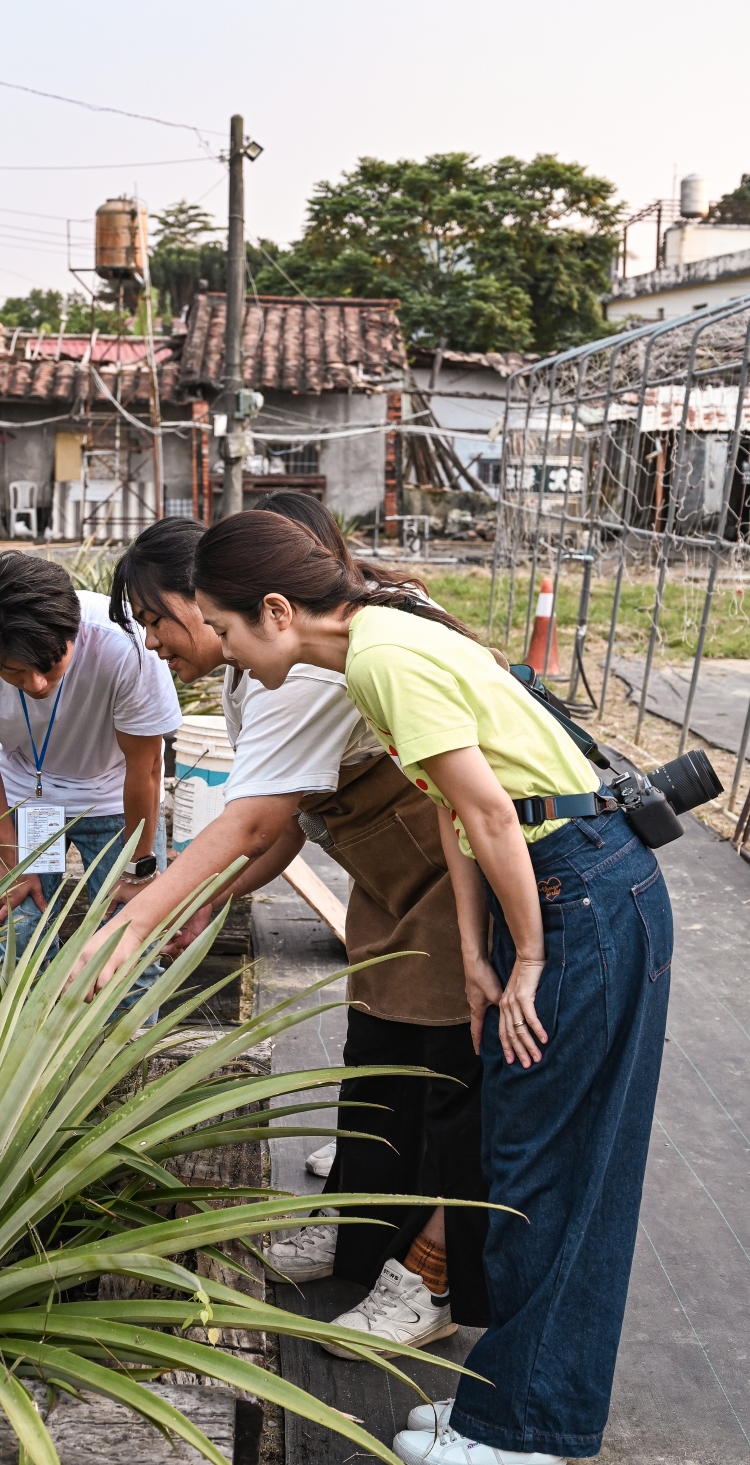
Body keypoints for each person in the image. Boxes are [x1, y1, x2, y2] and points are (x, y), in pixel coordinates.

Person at [190, 511, 673, 1465]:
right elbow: (458, 810)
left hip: (573, 886)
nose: (224, 653)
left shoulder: (381, 658)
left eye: (226, 629)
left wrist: (527, 956)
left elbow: (493, 810)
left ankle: (528, 1430)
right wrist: (476, 949)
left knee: (550, 1168)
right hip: (551, 887)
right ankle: (505, 1408)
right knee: (520, 1153)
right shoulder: (378, 642)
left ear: (278, 611)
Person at [72, 501, 490, 1353]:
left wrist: (149, 914)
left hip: (450, 870)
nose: (153, 642)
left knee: (446, 1082)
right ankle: (362, 1251)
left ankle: (428, 1276)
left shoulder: (300, 666)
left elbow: (257, 824)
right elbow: (286, 821)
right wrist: (203, 902)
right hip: (387, 873)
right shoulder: (253, 668)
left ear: (213, 598)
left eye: (159, 618)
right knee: (377, 1063)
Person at [0, 552, 181, 998]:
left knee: (132, 945)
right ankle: (25, 1055)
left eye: (50, 663)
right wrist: (9, 859)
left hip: (117, 799)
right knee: (16, 933)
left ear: (74, 631)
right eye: (15, 671)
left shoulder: (126, 644)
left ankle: (125, 1064)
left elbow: (147, 765)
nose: (37, 684)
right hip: (27, 796)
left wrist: (139, 868)